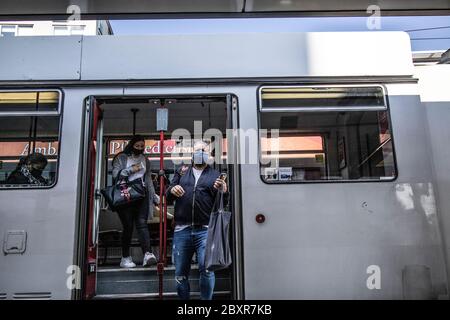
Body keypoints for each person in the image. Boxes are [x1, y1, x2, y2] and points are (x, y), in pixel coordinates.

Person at [166, 140, 227, 300]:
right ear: (192, 153)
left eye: (204, 151)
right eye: (198, 150)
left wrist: (223, 191)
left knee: (206, 269)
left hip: (205, 230)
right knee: (180, 273)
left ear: (209, 156)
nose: (201, 153)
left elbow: (223, 202)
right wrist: (172, 189)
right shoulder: (181, 172)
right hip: (182, 230)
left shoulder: (214, 175)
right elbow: (167, 195)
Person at [112, 135, 159, 268]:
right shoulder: (121, 158)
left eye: (142, 147)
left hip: (141, 194)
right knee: (128, 226)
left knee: (142, 224)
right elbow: (115, 174)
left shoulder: (145, 160)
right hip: (125, 194)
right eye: (137, 146)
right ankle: (125, 257)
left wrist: (154, 196)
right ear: (131, 145)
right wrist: (131, 170)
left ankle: (147, 254)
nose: (139, 149)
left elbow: (148, 179)